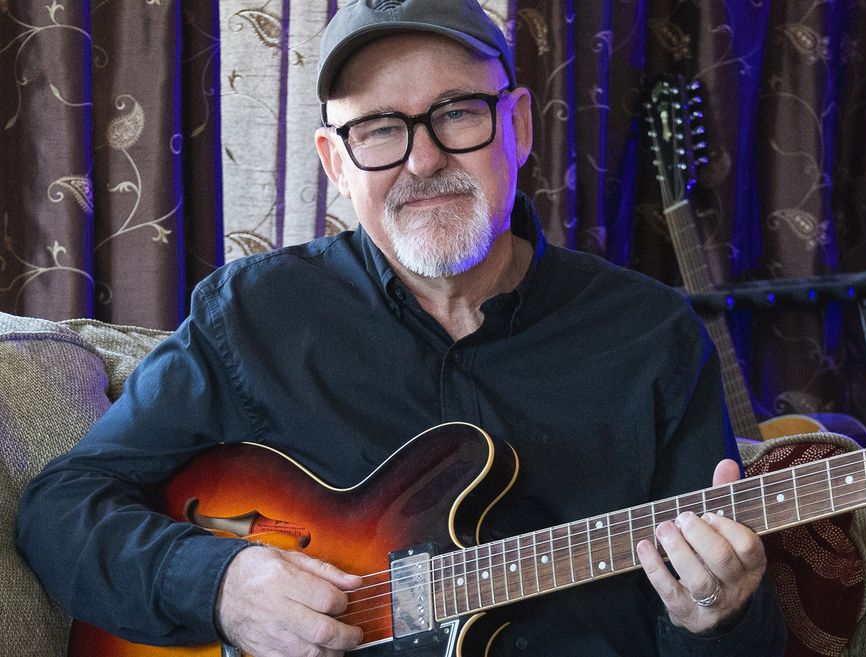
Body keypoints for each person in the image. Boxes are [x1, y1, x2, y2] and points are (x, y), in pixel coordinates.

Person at [16, 1, 786, 656]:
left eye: (457, 113)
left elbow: (721, 614)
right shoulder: (254, 314)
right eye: (379, 129)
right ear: (335, 162)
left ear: (516, 125)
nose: (423, 159)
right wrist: (222, 585)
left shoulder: (652, 336)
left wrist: (717, 615)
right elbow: (62, 506)